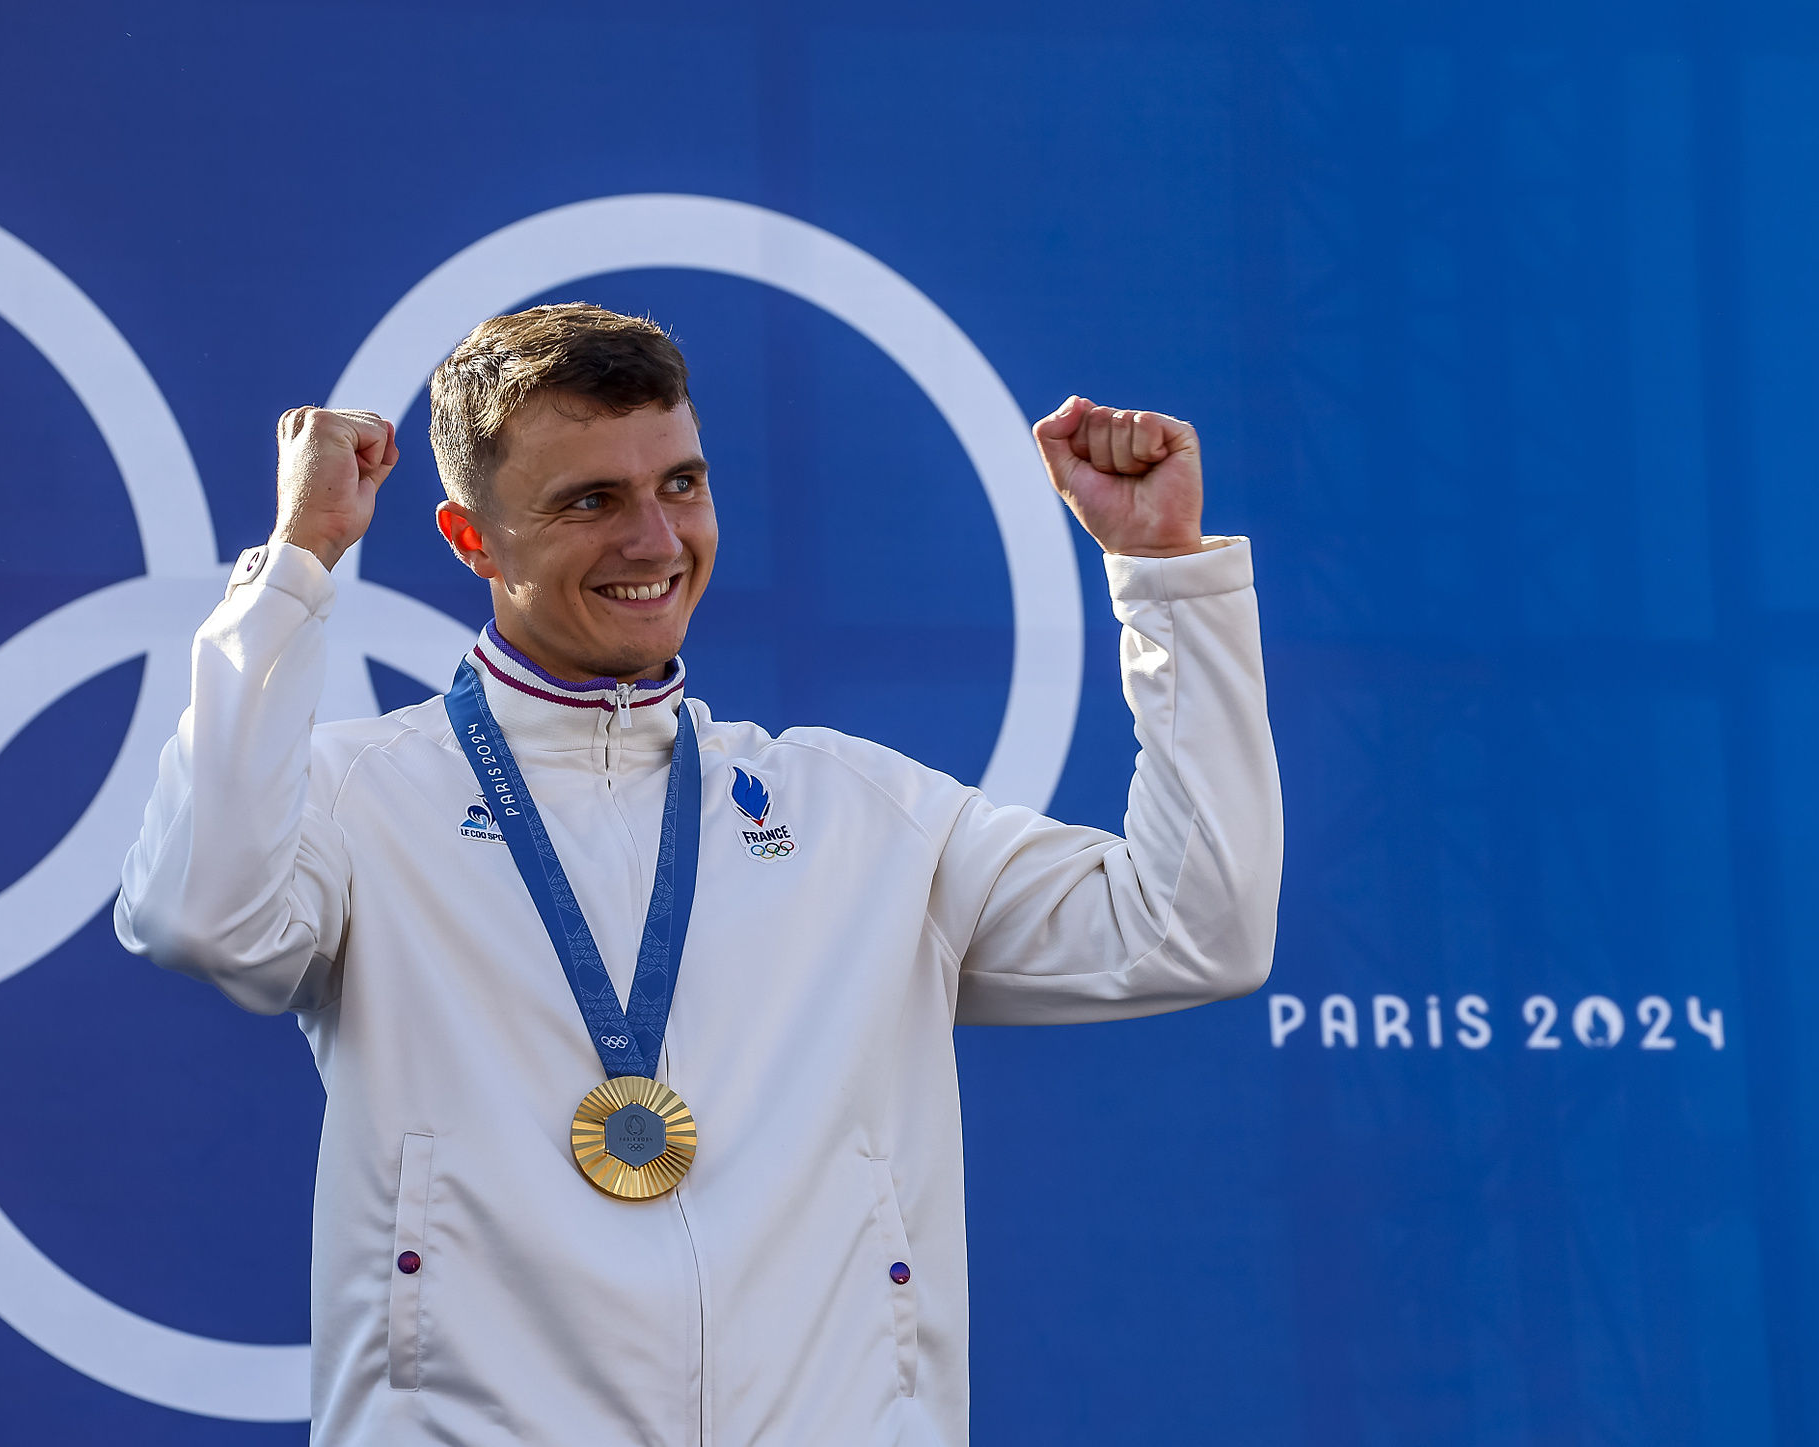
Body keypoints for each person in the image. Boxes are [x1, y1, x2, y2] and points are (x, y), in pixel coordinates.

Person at [116, 303, 1281, 1446]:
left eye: (679, 484)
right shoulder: (358, 794)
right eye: (590, 501)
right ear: (473, 540)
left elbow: (1194, 928)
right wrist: (296, 566)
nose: (656, 542)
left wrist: (1164, 579)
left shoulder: (858, 813)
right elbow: (202, 917)